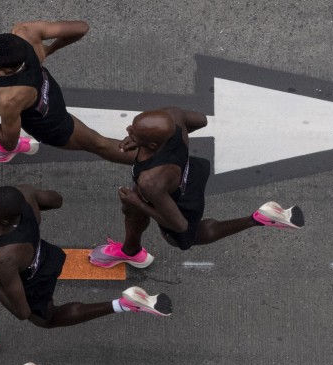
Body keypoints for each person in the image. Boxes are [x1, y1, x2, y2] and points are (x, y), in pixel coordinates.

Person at [0, 185, 171, 354]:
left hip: (28, 277)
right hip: (44, 255)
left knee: (45, 319)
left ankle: (124, 304)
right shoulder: (25, 195)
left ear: (5, 221)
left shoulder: (4, 256)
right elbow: (56, 200)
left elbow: (21, 313)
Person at [89, 107, 305, 269]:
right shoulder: (173, 116)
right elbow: (200, 120)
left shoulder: (151, 182)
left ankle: (257, 219)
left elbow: (179, 224)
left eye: (134, 132)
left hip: (178, 202)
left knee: (188, 235)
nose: (128, 131)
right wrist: (147, 140)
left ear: (153, 145)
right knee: (184, 223)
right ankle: (259, 218)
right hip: (190, 175)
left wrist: (137, 203)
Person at [0, 22, 137, 163]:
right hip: (41, 94)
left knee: (99, 144)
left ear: (5, 70)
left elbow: (7, 142)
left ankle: (148, 162)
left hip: (54, 125)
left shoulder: (10, 97)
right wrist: (50, 49)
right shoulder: (26, 34)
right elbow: (81, 27)